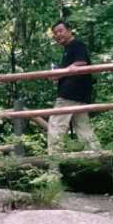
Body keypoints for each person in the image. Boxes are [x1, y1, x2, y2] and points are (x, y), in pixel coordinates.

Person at [46, 20, 100, 154]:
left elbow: (81, 63)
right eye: (55, 33)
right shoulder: (68, 49)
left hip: (69, 95)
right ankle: (99, 159)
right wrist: (58, 75)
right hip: (79, 95)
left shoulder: (76, 44)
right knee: (83, 128)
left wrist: (63, 72)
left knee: (55, 125)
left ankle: (54, 163)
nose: (58, 35)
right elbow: (73, 67)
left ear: (69, 31)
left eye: (60, 31)